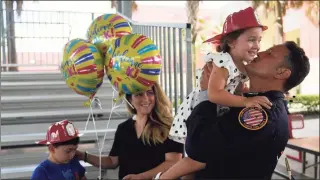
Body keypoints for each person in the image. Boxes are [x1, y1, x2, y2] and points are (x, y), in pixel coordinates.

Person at [155, 41, 310, 179]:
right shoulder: (248, 100)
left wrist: (206, 93)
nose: (260, 52)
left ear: (281, 72)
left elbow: (198, 147)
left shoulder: (262, 112)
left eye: (270, 54)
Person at [169, 7, 272, 144]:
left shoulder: (242, 65)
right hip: (198, 111)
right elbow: (214, 94)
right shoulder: (223, 61)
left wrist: (243, 93)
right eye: (251, 40)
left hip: (214, 113)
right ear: (231, 42)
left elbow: (233, 90)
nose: (257, 46)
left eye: (259, 40)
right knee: (195, 158)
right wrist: (246, 102)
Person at [76, 82, 184, 180]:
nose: (146, 98)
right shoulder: (123, 129)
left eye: (150, 93)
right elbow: (112, 161)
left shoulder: (169, 125)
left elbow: (173, 162)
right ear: (130, 99)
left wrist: (141, 177)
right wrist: (83, 156)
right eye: (139, 94)